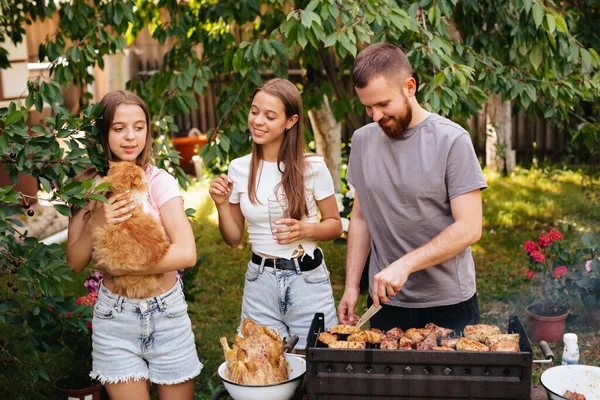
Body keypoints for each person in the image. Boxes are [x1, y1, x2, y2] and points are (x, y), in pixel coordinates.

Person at [338, 42, 487, 333]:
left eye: (383, 104)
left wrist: (405, 265)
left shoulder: (452, 141)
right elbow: (361, 216)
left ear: (410, 87)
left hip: (449, 304)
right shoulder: (362, 141)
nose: (375, 116)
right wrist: (352, 286)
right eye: (367, 106)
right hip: (384, 303)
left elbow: (470, 227)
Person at [66, 90, 202, 400]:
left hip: (166, 313)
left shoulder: (158, 182)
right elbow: (74, 262)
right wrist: (97, 221)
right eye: (119, 128)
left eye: (139, 127)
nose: (130, 137)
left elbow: (187, 253)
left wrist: (118, 264)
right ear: (103, 132)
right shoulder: (86, 187)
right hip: (115, 320)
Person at [209, 78, 342, 349]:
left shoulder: (313, 167)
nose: (258, 121)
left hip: (307, 281)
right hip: (260, 282)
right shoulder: (239, 168)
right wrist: (221, 204)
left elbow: (335, 226)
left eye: (270, 116)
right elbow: (234, 240)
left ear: (290, 122)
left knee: (316, 368)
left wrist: (306, 230)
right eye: (254, 111)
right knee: (261, 369)